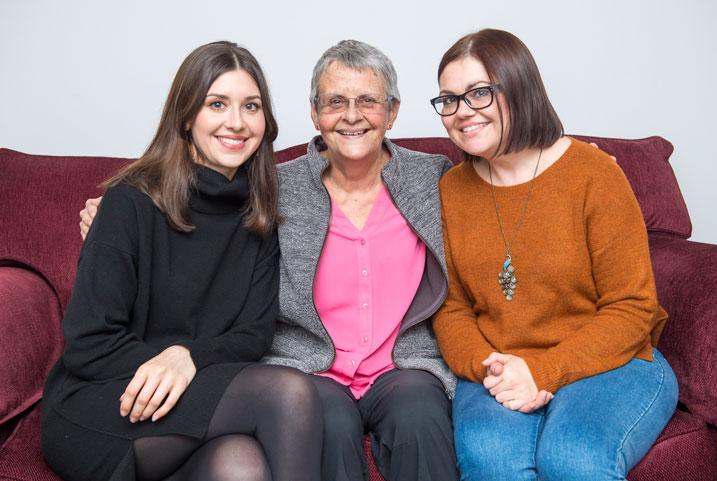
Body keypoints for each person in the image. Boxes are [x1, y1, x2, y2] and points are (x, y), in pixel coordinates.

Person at [81, 39, 458, 481]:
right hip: (310, 367)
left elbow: (488, 199)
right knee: (326, 423)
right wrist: (111, 216)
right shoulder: (271, 188)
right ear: (315, 113)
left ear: (392, 111)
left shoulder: (434, 177)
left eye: (368, 101)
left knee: (420, 416)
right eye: (335, 101)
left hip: (403, 365)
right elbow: (197, 199)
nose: (352, 115)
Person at [44, 41, 322, 481]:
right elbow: (90, 342)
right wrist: (169, 363)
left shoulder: (260, 213)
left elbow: (253, 335)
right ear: (187, 116)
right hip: (106, 401)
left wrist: (187, 357)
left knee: (240, 463)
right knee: (287, 393)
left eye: (251, 106)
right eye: (217, 104)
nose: (236, 122)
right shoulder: (129, 202)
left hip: (191, 391)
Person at [430, 28, 678, 481]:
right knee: (490, 460)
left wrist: (542, 371)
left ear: (519, 87)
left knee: (572, 457)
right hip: (497, 365)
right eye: (448, 100)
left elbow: (633, 307)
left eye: (479, 93)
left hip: (612, 360)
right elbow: (450, 307)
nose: (462, 112)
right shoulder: (450, 189)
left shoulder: (594, 173)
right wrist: (492, 367)